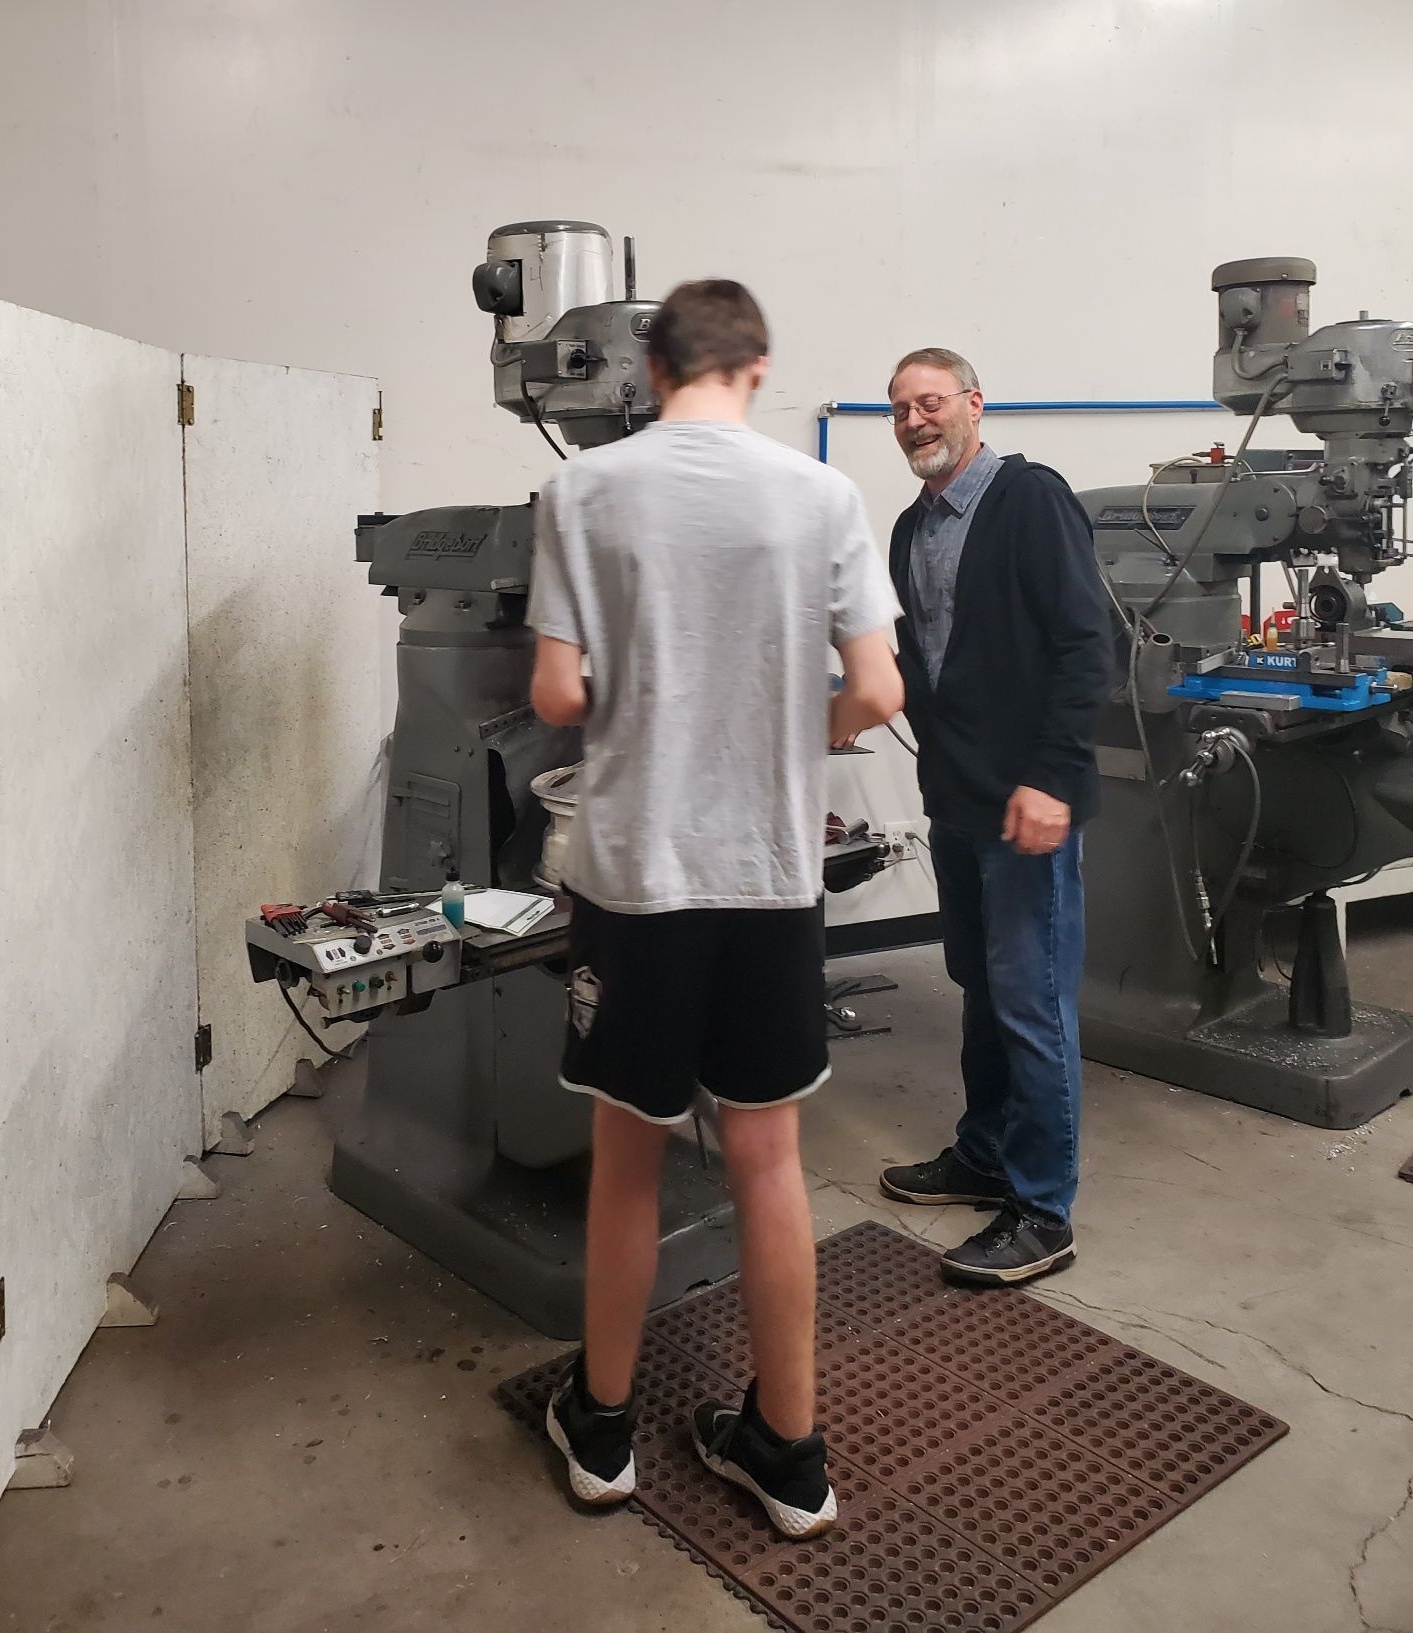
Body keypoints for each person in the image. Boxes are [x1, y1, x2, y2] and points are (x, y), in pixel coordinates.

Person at [527, 280, 903, 1536]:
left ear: (650, 361)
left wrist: (648, 689)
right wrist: (789, 731)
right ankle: (788, 1455)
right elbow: (878, 686)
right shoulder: (823, 494)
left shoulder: (582, 491)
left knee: (627, 1158)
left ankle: (601, 1434)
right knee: (768, 1156)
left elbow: (558, 697)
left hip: (637, 873)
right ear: (755, 366)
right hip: (769, 870)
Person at [877, 347, 1111, 1285]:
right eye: (898, 410)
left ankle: (1042, 1209)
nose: (914, 420)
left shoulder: (1030, 499)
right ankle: (983, 1152)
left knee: (1031, 998)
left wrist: (1052, 777)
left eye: (929, 401)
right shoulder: (909, 529)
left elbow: (1086, 645)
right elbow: (927, 665)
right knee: (979, 980)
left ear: (974, 404)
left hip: (1029, 804)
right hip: (961, 801)